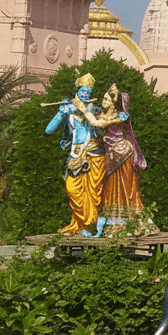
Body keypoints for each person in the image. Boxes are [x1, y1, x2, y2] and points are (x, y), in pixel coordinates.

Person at [45, 73, 105, 236]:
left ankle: (91, 225)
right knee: (72, 189)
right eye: (83, 90)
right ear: (77, 91)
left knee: (93, 193)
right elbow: (49, 130)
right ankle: (81, 223)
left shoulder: (96, 110)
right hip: (77, 155)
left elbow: (102, 130)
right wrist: (60, 113)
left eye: (88, 91)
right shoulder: (69, 110)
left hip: (95, 155)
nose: (86, 93)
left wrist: (87, 112)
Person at [95, 84, 156, 236]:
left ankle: (130, 222)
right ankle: (113, 222)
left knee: (125, 186)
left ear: (114, 102)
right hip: (110, 154)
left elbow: (101, 123)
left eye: (105, 99)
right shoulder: (102, 114)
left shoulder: (120, 116)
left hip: (123, 153)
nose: (103, 101)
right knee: (111, 186)